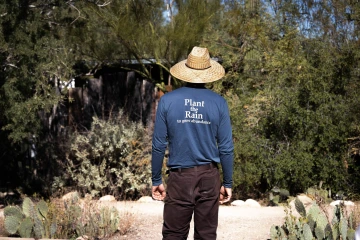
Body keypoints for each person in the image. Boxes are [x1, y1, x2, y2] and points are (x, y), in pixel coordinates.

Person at [151, 46, 234, 240]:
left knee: (173, 235)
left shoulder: (168, 100)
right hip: (209, 177)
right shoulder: (218, 102)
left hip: (179, 179)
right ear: (207, 73)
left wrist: (156, 180)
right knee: (206, 235)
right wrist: (227, 182)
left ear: (185, 72)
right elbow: (226, 147)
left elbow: (158, 144)